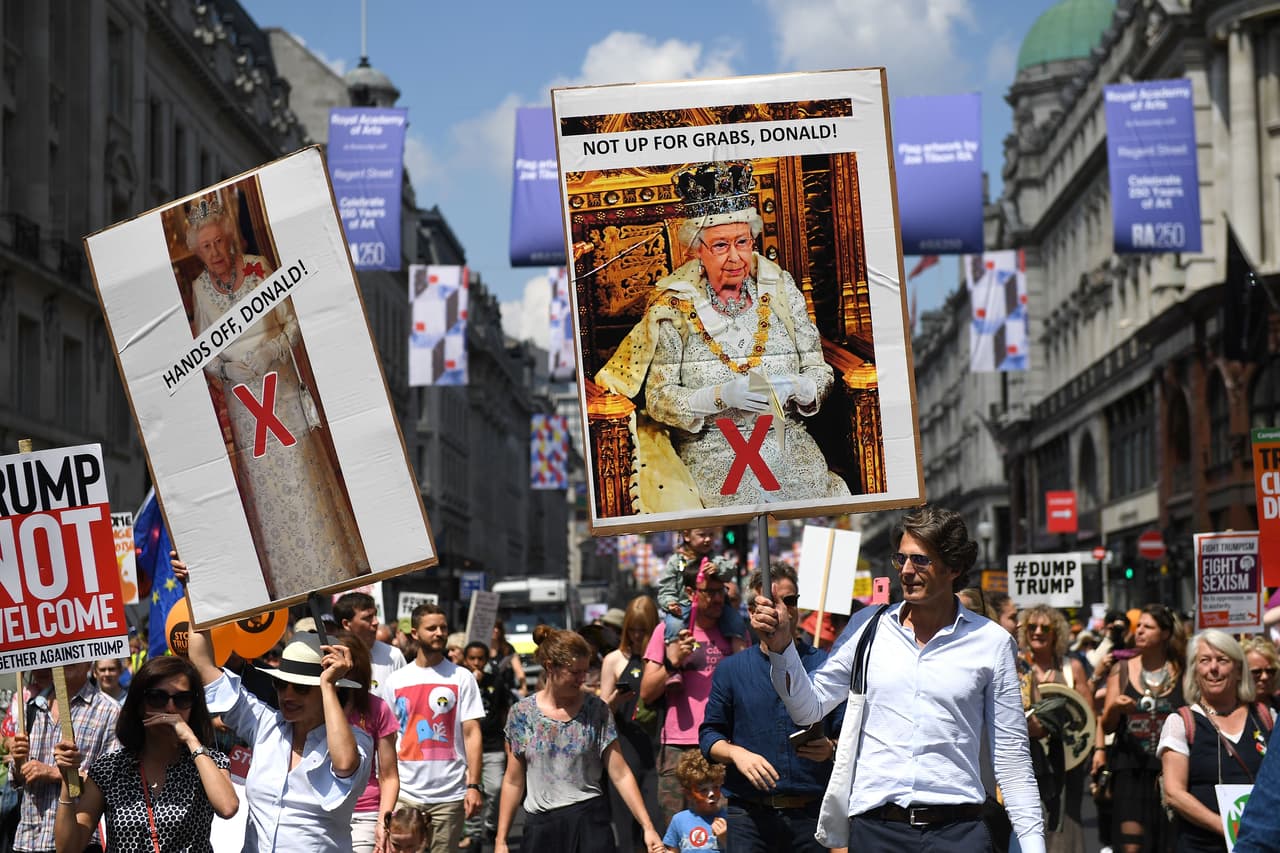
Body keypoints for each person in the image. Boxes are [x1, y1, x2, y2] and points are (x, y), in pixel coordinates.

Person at [750, 506, 1044, 852]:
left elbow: (1012, 758)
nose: (906, 571)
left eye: (920, 561)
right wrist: (783, 647)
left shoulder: (991, 643)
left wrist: (1032, 845)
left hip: (959, 833)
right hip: (878, 832)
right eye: (901, 559)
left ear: (954, 568)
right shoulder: (866, 628)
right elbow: (808, 708)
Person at [593, 160, 851, 510]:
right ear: (697, 249)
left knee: (816, 526)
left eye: (742, 242)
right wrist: (718, 395)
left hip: (787, 440)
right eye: (720, 245)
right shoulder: (674, 305)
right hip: (712, 447)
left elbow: (820, 373)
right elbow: (658, 399)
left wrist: (798, 387)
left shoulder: (781, 289)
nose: (735, 257)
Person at [184, 194, 366, 600]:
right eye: (205, 246)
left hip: (278, 389)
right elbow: (204, 353)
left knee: (301, 474)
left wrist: (272, 350)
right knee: (266, 488)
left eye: (218, 242)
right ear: (198, 251)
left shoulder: (259, 270)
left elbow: (294, 323)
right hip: (244, 401)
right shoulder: (199, 288)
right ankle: (284, 583)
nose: (214, 252)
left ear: (229, 239)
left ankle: (328, 568)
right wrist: (227, 370)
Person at [185, 611, 372, 852]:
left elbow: (345, 764)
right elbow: (202, 664)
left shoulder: (357, 740)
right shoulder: (266, 723)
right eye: (281, 684)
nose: (288, 695)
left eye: (302, 688)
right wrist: (193, 593)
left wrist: (326, 685)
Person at [700, 563, 841, 853]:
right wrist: (736, 754)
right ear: (752, 612)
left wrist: (831, 748)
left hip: (810, 816)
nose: (781, 610)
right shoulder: (731, 670)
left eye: (789, 601)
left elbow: (851, 734)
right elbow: (709, 736)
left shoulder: (827, 665)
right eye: (769, 603)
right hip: (750, 816)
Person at [495, 626, 663, 853]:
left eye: (584, 671)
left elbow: (620, 772)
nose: (582, 679)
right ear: (550, 667)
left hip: (590, 823)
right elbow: (513, 780)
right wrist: (501, 839)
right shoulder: (522, 714)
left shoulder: (597, 710)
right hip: (542, 828)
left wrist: (648, 826)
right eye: (574, 672)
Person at [51, 656, 238, 852]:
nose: (170, 708)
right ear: (140, 705)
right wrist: (67, 780)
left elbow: (227, 808)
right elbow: (68, 849)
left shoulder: (208, 761)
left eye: (182, 699)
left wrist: (191, 740)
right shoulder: (109, 768)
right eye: (157, 697)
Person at [640, 558, 742, 825]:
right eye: (711, 592)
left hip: (721, 744)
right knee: (678, 831)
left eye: (723, 591)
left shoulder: (734, 635)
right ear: (690, 593)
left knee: (723, 834)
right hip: (677, 747)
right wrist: (673, 662)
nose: (719, 599)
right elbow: (647, 692)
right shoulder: (667, 632)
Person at [1159, 630, 1273, 853]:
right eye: (1204, 660)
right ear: (1195, 671)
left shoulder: (1266, 717)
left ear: (1239, 670)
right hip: (1202, 846)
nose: (1213, 668)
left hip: (1261, 844)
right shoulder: (1181, 722)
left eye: (1222, 660)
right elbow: (1174, 794)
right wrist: (1228, 828)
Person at [384, 604, 484, 853]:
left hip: (449, 795)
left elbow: (472, 733)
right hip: (406, 792)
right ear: (415, 633)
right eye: (432, 628)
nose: (439, 633)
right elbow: (387, 738)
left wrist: (473, 785)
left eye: (443, 627)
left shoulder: (462, 677)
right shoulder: (396, 680)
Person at [1095, 603, 1185, 853]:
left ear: (1165, 633)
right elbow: (1108, 724)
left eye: (1149, 626)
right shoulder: (1121, 669)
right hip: (1130, 768)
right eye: (1139, 626)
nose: (1140, 631)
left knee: (1166, 843)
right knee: (1131, 846)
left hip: (1170, 770)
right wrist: (1115, 708)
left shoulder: (1183, 670)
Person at [7, 663, 120, 853]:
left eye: (75, 651)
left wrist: (54, 773)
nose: (68, 658)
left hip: (79, 841)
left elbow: (113, 783)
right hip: (27, 841)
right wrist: (19, 762)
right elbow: (18, 779)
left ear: (89, 660)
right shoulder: (33, 707)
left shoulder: (109, 711)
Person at [1018, 604, 1091, 853]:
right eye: (1032, 627)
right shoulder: (1015, 667)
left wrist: (1098, 751)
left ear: (1056, 632)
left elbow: (1087, 718)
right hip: (1025, 761)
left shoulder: (1072, 668)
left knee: (1066, 820)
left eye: (1045, 627)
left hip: (1067, 762)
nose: (1037, 632)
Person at [600, 595, 662, 852]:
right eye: (632, 630)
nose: (637, 636)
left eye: (643, 630)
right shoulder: (614, 660)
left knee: (658, 822)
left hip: (658, 747)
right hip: (625, 749)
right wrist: (614, 700)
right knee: (626, 828)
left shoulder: (661, 659)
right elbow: (601, 713)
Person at [334, 629, 400, 853]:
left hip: (365, 814)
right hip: (322, 812)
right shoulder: (314, 706)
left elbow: (389, 775)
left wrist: (384, 822)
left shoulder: (377, 708)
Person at [460, 642, 509, 850]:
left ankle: (489, 825)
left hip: (492, 745)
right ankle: (473, 832)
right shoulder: (461, 682)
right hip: (466, 748)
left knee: (496, 788)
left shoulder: (495, 682)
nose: (477, 663)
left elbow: (503, 712)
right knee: (469, 790)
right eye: (472, 659)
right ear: (465, 660)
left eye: (481, 659)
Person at [335, 592, 407, 702]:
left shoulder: (393, 655)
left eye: (375, 615)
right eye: (367, 618)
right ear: (346, 624)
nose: (376, 622)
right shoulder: (332, 657)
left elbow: (404, 702)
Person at [662, 750, 728, 852]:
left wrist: (725, 839)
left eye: (716, 787)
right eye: (703, 790)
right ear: (688, 793)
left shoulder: (729, 819)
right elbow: (673, 850)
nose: (712, 794)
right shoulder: (679, 820)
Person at [490, 621, 528, 699]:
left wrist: (523, 688)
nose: (496, 630)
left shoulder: (508, 648)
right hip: (489, 691)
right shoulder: (482, 649)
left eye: (498, 628)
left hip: (506, 691)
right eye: (493, 627)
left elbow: (518, 670)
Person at [1241, 636, 1279, 709]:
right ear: (1240, 673)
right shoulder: (1229, 709)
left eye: (1270, 671)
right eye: (1256, 672)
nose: (1265, 677)